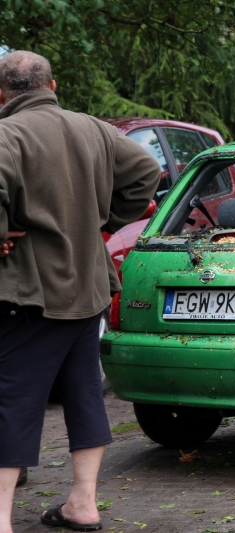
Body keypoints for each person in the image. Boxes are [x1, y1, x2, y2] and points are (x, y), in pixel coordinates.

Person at [0, 51, 160, 533]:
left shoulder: (6, 135)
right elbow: (146, 172)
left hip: (30, 295)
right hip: (88, 290)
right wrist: (104, 222)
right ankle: (83, 504)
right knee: (84, 393)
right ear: (53, 85)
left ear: (1, 95)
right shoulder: (94, 128)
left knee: (11, 401)